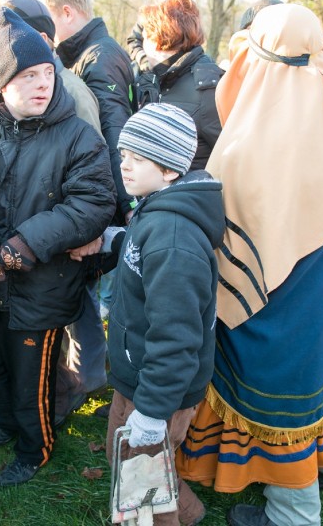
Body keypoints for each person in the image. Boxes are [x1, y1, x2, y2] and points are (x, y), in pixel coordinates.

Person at [175, 4, 323, 526]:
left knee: (284, 398)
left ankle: (294, 511)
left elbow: (236, 237)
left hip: (278, 303)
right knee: (319, 382)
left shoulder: (257, 136)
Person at [0, 7, 116, 487]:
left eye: (46, 72)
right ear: (3, 84)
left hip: (44, 286)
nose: (42, 83)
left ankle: (35, 448)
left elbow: (92, 202)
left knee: (30, 383)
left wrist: (28, 241)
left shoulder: (78, 135)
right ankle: (19, 425)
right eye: (27, 76)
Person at [103, 103, 224, 526]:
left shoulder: (173, 240)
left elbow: (176, 336)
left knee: (141, 486)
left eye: (138, 159)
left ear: (171, 169)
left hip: (156, 389)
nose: (125, 167)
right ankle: (188, 511)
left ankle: (166, 517)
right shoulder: (155, 208)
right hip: (141, 375)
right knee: (133, 461)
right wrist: (118, 242)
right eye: (123, 156)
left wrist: (153, 413)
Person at [2, 0, 108, 425]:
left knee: (75, 306)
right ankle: (78, 381)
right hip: (50, 231)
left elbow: (92, 165)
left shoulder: (70, 95)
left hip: (67, 232)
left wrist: (87, 231)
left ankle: (80, 382)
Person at [45, 0, 135, 220]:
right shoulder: (88, 54)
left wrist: (128, 204)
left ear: (67, 13)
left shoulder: (99, 57)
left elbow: (113, 127)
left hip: (111, 198)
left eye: (49, 19)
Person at [134, 0, 224, 170]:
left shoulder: (208, 88)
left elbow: (232, 157)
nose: (141, 46)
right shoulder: (157, 78)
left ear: (158, 39)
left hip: (192, 193)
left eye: (145, 37)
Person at [124, 0, 189, 71]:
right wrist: (143, 59)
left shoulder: (187, 23)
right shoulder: (147, 18)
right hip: (146, 71)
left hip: (175, 74)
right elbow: (133, 41)